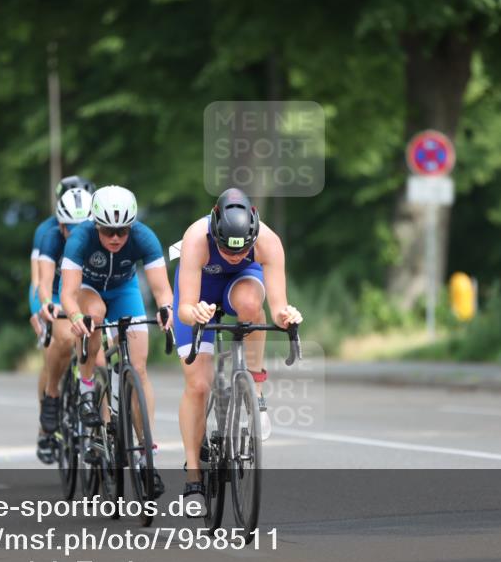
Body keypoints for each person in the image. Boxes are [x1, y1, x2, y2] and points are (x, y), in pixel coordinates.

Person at [172, 188, 302, 511]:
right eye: (225, 249)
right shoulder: (195, 239)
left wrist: (287, 316)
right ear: (214, 233)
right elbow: (185, 307)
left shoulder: (268, 242)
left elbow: (278, 306)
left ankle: (254, 389)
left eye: (242, 248)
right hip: (201, 291)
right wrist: (197, 313)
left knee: (250, 306)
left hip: (242, 283)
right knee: (199, 385)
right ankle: (192, 474)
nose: (233, 254)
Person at [59, 185, 174, 496]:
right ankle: (86, 387)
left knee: (138, 366)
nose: (115, 238)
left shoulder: (144, 237)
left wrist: (166, 309)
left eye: (122, 231)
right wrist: (74, 318)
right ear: (96, 224)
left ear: (131, 226)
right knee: (93, 315)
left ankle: (144, 454)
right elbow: (67, 294)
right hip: (89, 289)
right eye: (108, 231)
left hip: (125, 291)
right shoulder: (80, 239)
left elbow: (162, 289)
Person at [33, 180, 95, 464]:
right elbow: (40, 282)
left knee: (101, 351)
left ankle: (103, 430)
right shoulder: (47, 234)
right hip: (55, 291)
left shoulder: (102, 232)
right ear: (60, 224)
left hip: (86, 290)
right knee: (62, 340)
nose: (77, 234)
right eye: (70, 227)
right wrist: (40, 309)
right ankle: (51, 399)